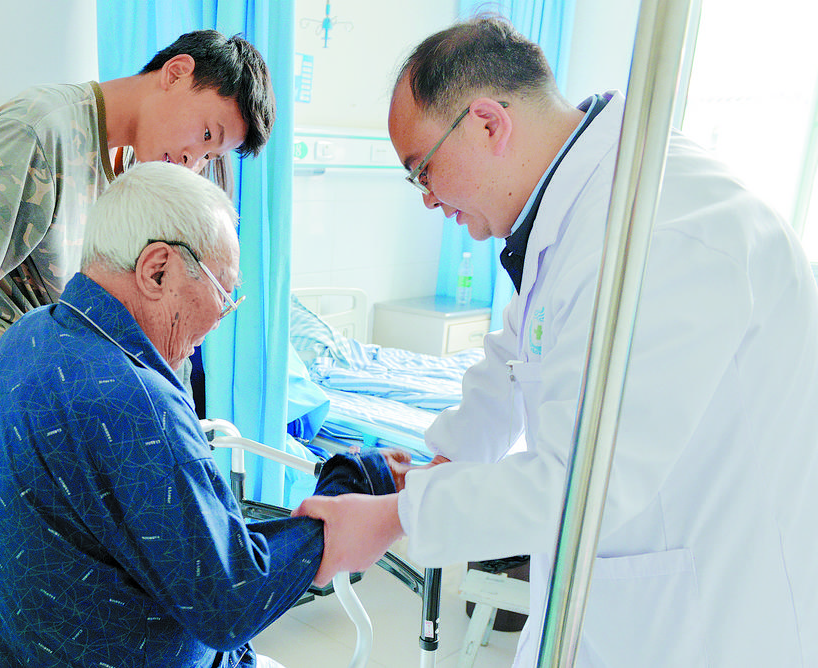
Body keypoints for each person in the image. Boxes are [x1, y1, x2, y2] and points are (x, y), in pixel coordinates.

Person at [293, 16, 818, 667]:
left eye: (422, 170)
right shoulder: (573, 214)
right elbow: (513, 357)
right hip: (631, 603)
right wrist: (439, 465)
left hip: (708, 620)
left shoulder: (658, 232)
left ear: (488, 124)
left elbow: (582, 485)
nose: (426, 199)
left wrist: (396, 516)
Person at [0, 161, 397, 668]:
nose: (220, 318)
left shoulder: (26, 335)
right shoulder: (131, 399)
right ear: (157, 270)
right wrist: (350, 497)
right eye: (223, 293)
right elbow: (230, 602)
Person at [0, 29, 276, 480]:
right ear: (176, 72)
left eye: (209, 154)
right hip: (17, 388)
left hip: (77, 393)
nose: (193, 160)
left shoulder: (138, 165)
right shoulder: (43, 127)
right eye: (205, 134)